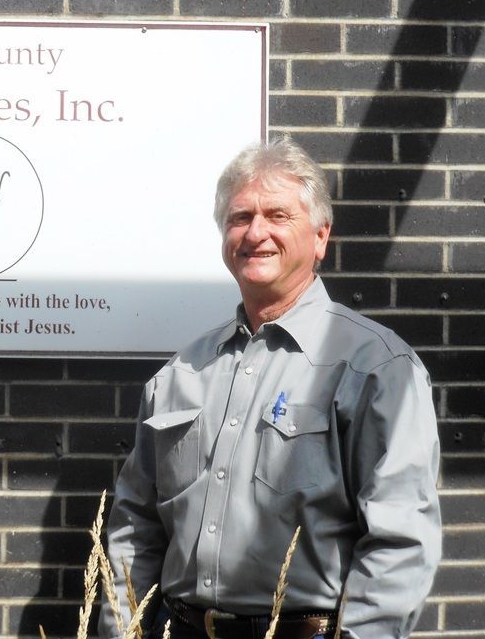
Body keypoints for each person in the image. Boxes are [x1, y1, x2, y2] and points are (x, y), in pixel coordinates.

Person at [99, 138, 441, 639]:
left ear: (321, 236)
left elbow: (400, 540)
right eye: (239, 218)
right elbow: (136, 525)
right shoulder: (181, 374)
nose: (255, 233)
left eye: (277, 216)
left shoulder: (376, 369)